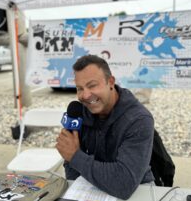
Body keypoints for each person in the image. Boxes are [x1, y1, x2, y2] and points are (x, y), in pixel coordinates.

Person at [56, 55, 154, 199]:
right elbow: (70, 164)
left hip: (138, 189)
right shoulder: (78, 112)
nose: (85, 95)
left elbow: (124, 184)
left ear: (111, 82)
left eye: (92, 85)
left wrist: (75, 156)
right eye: (79, 88)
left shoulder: (139, 119)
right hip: (90, 186)